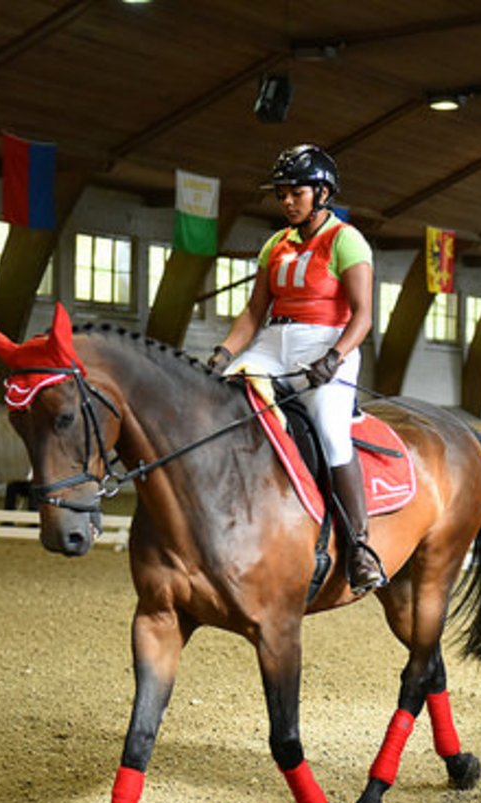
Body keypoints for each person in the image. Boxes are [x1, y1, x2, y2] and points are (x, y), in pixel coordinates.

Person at [206, 144, 386, 594]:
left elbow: (363, 315)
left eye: (296, 193)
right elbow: (253, 312)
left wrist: (334, 357)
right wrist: (226, 353)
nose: (287, 201)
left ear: (322, 192)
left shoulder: (346, 240)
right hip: (272, 342)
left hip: (327, 341)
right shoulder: (275, 244)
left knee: (328, 430)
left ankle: (359, 546)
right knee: (221, 403)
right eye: (282, 194)